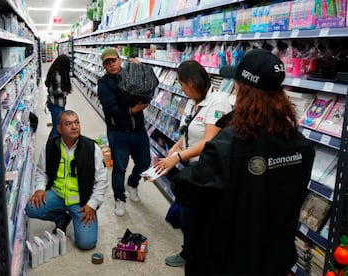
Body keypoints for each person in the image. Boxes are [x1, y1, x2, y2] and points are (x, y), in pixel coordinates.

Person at [172, 49, 315, 275]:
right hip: (274, 259)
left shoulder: (230, 143)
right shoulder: (302, 146)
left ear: (242, 88)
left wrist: (179, 173)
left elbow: (189, 189)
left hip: (228, 259)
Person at [153, 60, 232, 267]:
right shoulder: (192, 99)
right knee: (190, 214)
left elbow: (209, 140)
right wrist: (177, 146)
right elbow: (189, 127)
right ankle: (191, 252)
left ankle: (196, 256)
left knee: (201, 217)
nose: (181, 88)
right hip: (191, 166)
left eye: (182, 83)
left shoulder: (219, 101)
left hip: (208, 168)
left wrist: (177, 157)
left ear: (192, 81)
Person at [25, 110, 108, 250]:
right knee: (31, 208)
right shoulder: (50, 145)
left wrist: (92, 205)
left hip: (81, 201)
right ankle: (61, 218)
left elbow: (102, 180)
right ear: (59, 128)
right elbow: (41, 171)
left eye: (76, 122)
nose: (74, 127)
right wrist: (39, 189)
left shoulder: (92, 148)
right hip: (57, 194)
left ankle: (76, 220)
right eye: (68, 124)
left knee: (87, 243)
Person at [97, 48, 151, 217]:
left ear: (120, 60)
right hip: (118, 132)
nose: (111, 65)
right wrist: (132, 109)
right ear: (104, 66)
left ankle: (133, 184)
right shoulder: (104, 83)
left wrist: (140, 68)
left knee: (144, 163)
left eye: (114, 60)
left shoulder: (131, 73)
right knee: (119, 167)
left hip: (138, 129)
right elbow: (111, 108)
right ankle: (119, 199)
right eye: (107, 63)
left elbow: (147, 86)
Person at [45, 54, 72, 138]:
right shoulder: (57, 74)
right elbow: (54, 90)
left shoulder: (59, 71)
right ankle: (50, 146)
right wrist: (65, 92)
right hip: (55, 103)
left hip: (59, 103)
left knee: (60, 124)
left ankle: (57, 144)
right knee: (57, 127)